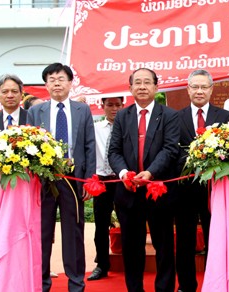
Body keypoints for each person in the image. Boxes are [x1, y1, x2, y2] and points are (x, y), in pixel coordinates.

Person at [108, 68, 180, 291]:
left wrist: (150, 173)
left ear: (156, 87)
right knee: (132, 247)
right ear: (130, 88)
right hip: (128, 192)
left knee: (164, 246)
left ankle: (165, 288)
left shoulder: (169, 115)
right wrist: (123, 174)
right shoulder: (122, 115)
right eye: (137, 83)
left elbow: (169, 150)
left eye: (146, 82)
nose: (141, 86)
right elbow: (114, 151)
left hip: (157, 191)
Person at [27, 63, 96, 292]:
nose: (56, 82)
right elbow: (30, 147)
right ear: (46, 85)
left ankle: (76, 283)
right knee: (43, 231)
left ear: (70, 83)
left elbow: (89, 145)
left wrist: (88, 179)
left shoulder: (82, 110)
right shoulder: (36, 111)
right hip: (45, 180)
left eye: (61, 78)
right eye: (51, 79)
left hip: (73, 179)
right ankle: (42, 282)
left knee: (73, 232)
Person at [175, 69, 229, 292]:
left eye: (204, 87)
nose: (199, 91)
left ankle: (217, 284)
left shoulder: (224, 117)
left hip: (215, 190)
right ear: (188, 89)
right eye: (195, 87)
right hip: (185, 191)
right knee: (185, 240)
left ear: (211, 90)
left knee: (216, 240)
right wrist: (196, 160)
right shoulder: (176, 117)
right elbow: (173, 150)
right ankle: (186, 285)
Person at [88, 96, 124, 281]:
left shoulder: (127, 128)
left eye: (118, 105)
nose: (114, 109)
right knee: (101, 225)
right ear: (102, 106)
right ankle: (102, 264)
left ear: (123, 105)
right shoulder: (94, 129)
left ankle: (132, 261)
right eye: (110, 105)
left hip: (122, 180)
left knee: (128, 222)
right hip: (101, 181)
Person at [0, 74, 27, 225]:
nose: (10, 95)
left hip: (25, 187)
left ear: (21, 94)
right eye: (5, 91)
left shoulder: (31, 119)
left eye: (14, 91)